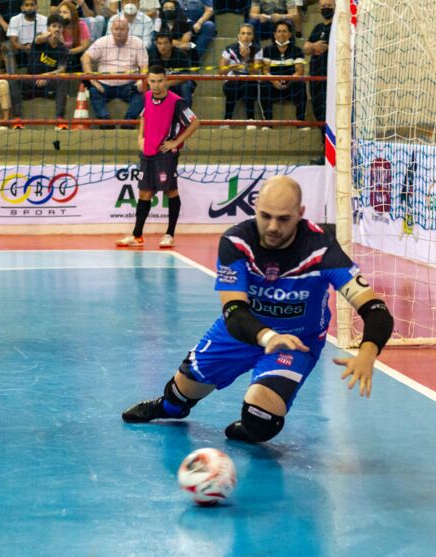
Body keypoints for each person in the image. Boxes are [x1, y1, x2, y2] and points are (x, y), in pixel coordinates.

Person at [121, 175, 395, 444]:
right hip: (241, 331)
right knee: (180, 393)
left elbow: (374, 309)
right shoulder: (237, 243)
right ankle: (169, 408)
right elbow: (234, 312)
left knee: (261, 422)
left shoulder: (322, 250)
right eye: (266, 216)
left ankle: (252, 424)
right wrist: (267, 337)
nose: (273, 226)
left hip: (296, 341)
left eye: (284, 219)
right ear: (255, 210)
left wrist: (368, 352)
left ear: (300, 213)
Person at [116, 65, 199, 248]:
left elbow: (195, 122)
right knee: (144, 193)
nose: (156, 85)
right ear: (148, 82)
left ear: (166, 81)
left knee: (171, 191)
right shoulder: (147, 97)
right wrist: (141, 136)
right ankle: (137, 235)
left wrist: (176, 142)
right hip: (148, 153)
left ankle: (169, 234)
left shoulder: (177, 102)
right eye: (152, 81)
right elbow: (144, 116)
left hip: (165, 154)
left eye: (160, 81)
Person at [82, 18, 148, 129]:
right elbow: (85, 57)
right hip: (104, 85)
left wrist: (141, 81)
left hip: (128, 85)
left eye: (122, 29)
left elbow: (144, 66)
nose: (119, 32)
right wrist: (92, 79)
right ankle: (105, 122)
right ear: (111, 30)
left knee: (143, 94)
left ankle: (128, 123)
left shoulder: (137, 43)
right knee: (94, 92)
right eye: (116, 29)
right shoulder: (103, 41)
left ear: (128, 30)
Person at [12, 13, 69, 129]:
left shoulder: (63, 48)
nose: (57, 29)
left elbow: (62, 69)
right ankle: (17, 119)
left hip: (48, 84)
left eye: (60, 26)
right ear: (48, 28)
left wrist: (48, 75)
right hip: (31, 82)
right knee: (14, 80)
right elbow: (38, 39)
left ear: (63, 29)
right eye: (54, 26)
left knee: (63, 80)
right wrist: (48, 35)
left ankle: (60, 120)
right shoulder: (40, 40)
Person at [256, 20, 306, 126]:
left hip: (290, 85)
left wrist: (289, 80)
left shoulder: (297, 50)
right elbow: (265, 71)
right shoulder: (267, 50)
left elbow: (299, 71)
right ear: (274, 34)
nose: (281, 34)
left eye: (284, 31)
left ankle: (300, 122)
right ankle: (268, 122)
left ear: (290, 34)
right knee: (263, 84)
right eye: (279, 31)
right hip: (273, 86)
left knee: (301, 84)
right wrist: (274, 81)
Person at [304, 0, 332, 147]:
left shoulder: (338, 28)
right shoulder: (318, 28)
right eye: (322, 6)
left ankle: (333, 153)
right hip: (316, 78)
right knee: (319, 114)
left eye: (328, 5)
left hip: (331, 80)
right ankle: (325, 151)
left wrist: (327, 47)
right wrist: (315, 45)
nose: (325, 8)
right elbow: (306, 48)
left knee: (331, 116)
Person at [220, 22, 260, 125]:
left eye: (249, 33)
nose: (246, 36)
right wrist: (230, 67)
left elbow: (256, 72)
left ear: (253, 36)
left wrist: (247, 58)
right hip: (233, 83)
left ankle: (251, 119)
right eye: (243, 33)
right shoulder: (229, 48)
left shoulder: (258, 50)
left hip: (250, 84)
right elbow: (221, 71)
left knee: (249, 83)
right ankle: (227, 119)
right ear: (238, 35)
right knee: (233, 83)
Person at [148, 31, 194, 107]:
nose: (163, 46)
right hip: (160, 84)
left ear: (171, 43)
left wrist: (168, 83)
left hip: (179, 83)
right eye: (159, 43)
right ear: (156, 44)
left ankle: (186, 115)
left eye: (165, 43)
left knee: (186, 86)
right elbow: (149, 76)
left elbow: (186, 76)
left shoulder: (181, 54)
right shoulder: (153, 56)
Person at [174, 0, 214, 65]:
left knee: (209, 26)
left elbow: (210, 10)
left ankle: (194, 59)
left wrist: (199, 23)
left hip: (195, 23)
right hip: (177, 23)